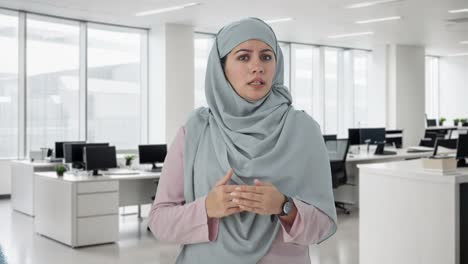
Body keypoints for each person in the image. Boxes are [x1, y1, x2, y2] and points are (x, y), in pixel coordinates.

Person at [148, 17, 337, 264]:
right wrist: (206, 208)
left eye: (266, 57)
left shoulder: (303, 130)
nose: (257, 67)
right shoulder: (196, 129)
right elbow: (159, 221)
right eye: (244, 57)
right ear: (222, 66)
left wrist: (284, 207)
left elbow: (324, 224)